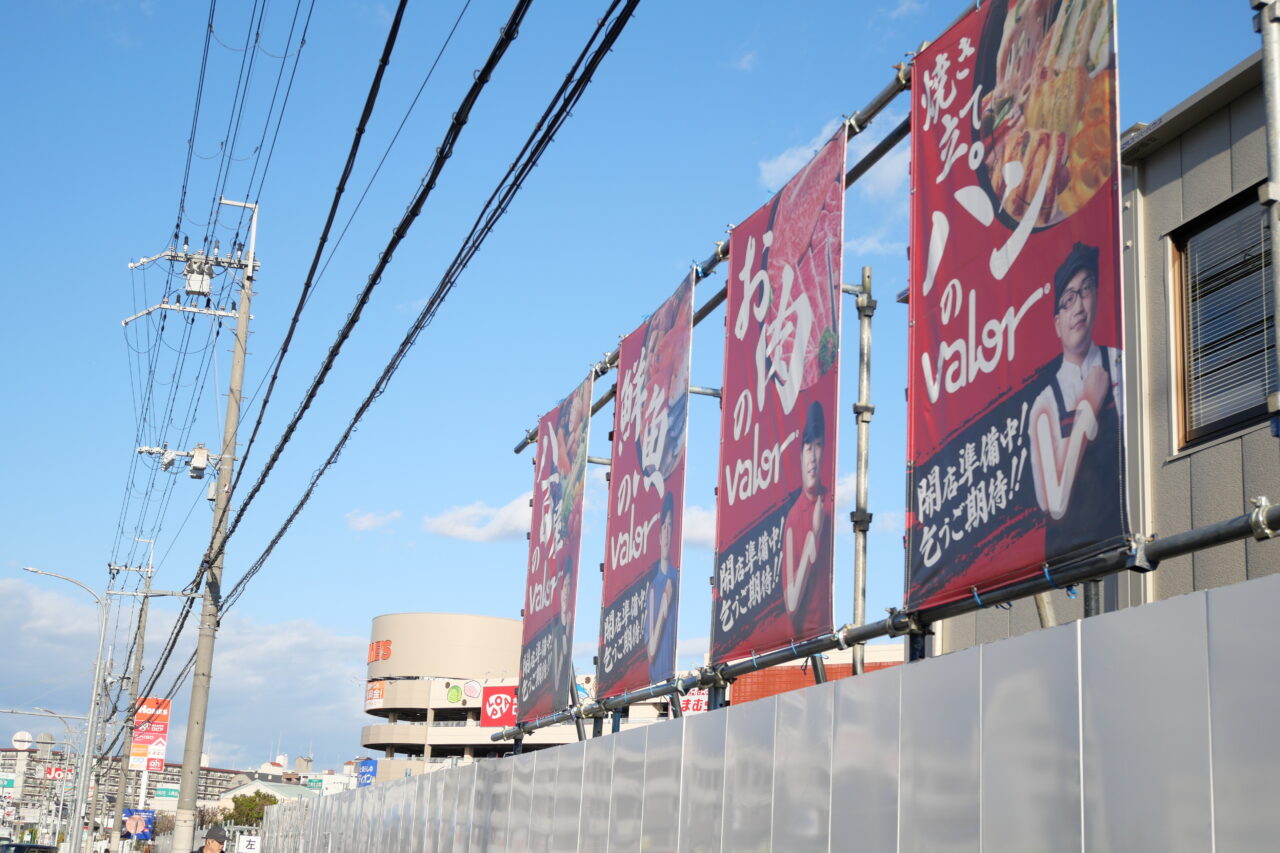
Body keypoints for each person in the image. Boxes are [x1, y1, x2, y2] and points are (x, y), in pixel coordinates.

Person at [1029, 242, 1124, 557]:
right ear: (1057, 323)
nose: (1079, 309)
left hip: (1123, 536)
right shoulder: (1045, 404)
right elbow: (1054, 502)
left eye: (1085, 292)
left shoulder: (1122, 365)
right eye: (1068, 301)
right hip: (1065, 558)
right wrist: (1087, 408)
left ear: (1096, 296)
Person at [783, 400, 831, 635]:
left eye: (818, 445)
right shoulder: (794, 517)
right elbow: (791, 603)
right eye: (808, 447)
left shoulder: (830, 501)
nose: (812, 456)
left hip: (832, 632)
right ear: (801, 454)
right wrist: (813, 537)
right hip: (803, 640)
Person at [645, 492, 680, 684]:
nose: (667, 533)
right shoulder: (654, 588)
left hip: (672, 676)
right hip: (655, 680)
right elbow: (651, 651)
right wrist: (663, 609)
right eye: (664, 528)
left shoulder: (677, 576)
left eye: (670, 528)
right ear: (659, 536)